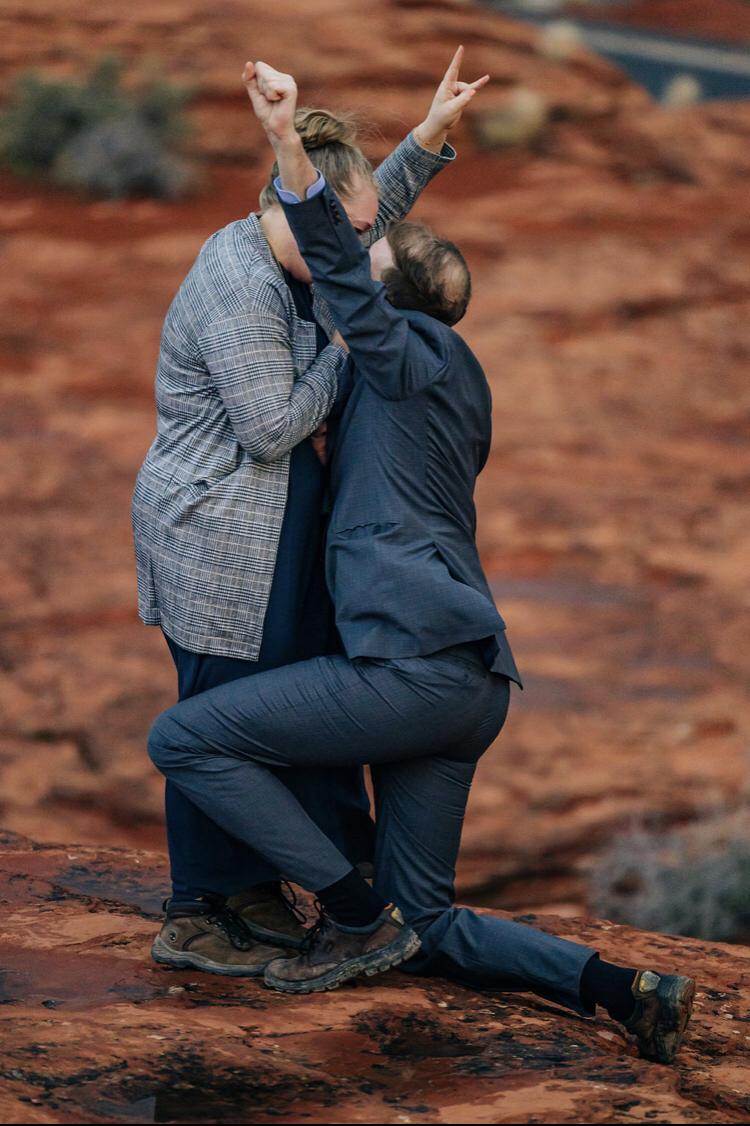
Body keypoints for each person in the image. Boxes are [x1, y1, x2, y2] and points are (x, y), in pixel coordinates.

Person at [146, 58, 696, 1065]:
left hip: (406, 664)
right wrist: (431, 138)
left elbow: (345, 256)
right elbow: (363, 228)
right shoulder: (459, 374)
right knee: (426, 920)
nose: (361, 256)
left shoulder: (388, 349)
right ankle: (625, 989)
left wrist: (281, 144)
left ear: (383, 302)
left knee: (187, 738)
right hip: (473, 675)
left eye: (371, 267)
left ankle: (347, 912)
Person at [132, 51, 469, 974]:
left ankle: (250, 889)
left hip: (273, 531)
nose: (362, 250)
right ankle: (195, 910)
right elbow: (273, 428)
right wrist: (347, 341)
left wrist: (428, 135)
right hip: (215, 530)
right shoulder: (241, 284)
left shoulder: (307, 237)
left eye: (360, 232)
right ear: (292, 211)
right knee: (217, 710)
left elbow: (366, 219)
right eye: (347, 232)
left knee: (262, 710)